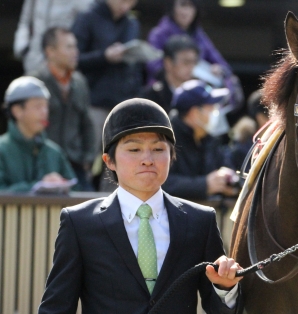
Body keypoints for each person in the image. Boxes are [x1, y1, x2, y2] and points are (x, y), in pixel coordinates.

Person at [16, 98, 244, 314]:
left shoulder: (200, 220)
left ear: (172, 155)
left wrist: (225, 290)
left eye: (159, 149)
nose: (148, 159)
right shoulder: (81, 224)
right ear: (109, 160)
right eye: (134, 149)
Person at [72, 0, 143, 154]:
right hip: (92, 101)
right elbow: (73, 60)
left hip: (122, 104)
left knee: (118, 160)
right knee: (87, 156)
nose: (126, 5)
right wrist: (104, 56)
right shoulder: (88, 17)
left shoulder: (131, 23)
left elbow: (135, 66)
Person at [146, 0, 243, 111]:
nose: (186, 11)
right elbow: (153, 66)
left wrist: (219, 70)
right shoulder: (158, 34)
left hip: (194, 100)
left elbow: (222, 66)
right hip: (163, 98)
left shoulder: (199, 35)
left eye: (191, 6)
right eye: (183, 5)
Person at [33, 27, 95, 190]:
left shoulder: (80, 82)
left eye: (75, 46)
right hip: (42, 163)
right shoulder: (35, 82)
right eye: (69, 47)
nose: (75, 52)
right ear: (50, 51)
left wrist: (88, 157)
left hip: (75, 164)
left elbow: (87, 124)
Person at [163, 80, 238, 200]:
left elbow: (227, 167)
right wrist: (204, 185)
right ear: (195, 113)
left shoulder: (210, 139)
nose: (216, 113)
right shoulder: (165, 139)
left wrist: (229, 180)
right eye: (212, 108)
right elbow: (161, 183)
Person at [0, 76, 76, 192]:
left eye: (46, 106)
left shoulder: (54, 152)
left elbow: (76, 192)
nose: (44, 112)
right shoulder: (2, 150)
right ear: (17, 111)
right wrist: (37, 187)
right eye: (38, 106)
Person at [13, 0, 93, 74]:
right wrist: (22, 47)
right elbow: (25, 21)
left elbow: (89, 19)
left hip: (62, 55)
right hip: (35, 56)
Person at [139, 34, 200, 114]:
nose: (191, 67)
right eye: (186, 62)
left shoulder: (197, 96)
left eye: (194, 62)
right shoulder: (149, 98)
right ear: (168, 63)